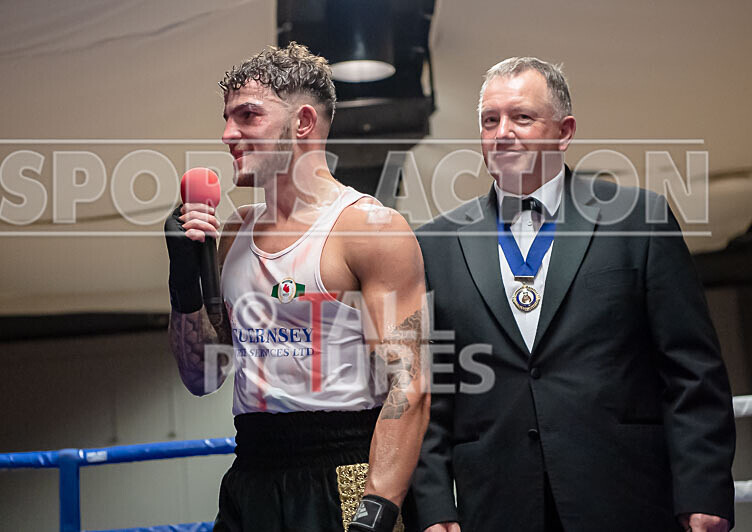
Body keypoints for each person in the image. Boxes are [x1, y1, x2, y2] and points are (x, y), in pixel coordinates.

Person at [408, 57, 736, 532]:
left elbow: (692, 373)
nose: (502, 133)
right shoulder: (434, 245)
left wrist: (704, 490)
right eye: (489, 120)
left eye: (521, 117)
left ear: (564, 132)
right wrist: (434, 507)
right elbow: (426, 393)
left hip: (626, 497)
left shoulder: (637, 220)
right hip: (495, 507)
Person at [164, 43, 429, 532]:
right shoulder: (234, 237)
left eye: (247, 116)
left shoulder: (369, 230)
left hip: (346, 473)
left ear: (303, 122)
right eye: (226, 118)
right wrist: (184, 282)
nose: (228, 134)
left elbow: (408, 385)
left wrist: (378, 508)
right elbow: (200, 378)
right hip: (252, 474)